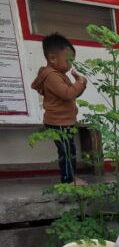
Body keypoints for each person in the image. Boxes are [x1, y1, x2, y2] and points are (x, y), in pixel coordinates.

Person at [30, 33, 87, 186]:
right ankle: (68, 181)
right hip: (58, 122)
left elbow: (73, 94)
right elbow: (68, 94)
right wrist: (79, 83)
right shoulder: (52, 77)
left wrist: (80, 83)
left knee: (68, 150)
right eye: (68, 60)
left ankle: (70, 178)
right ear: (52, 58)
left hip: (63, 121)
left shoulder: (59, 75)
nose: (70, 65)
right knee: (68, 152)